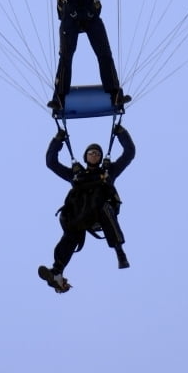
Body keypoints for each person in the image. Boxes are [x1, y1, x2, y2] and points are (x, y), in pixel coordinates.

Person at [12, 0, 129, 109]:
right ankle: (59, 98)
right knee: (65, 58)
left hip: (91, 18)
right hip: (70, 20)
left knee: (104, 53)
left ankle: (115, 94)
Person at [38, 124, 136, 293]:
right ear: (86, 157)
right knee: (70, 236)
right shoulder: (76, 175)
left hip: (101, 215)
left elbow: (129, 153)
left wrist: (122, 133)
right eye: (91, 153)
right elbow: (51, 162)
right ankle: (57, 273)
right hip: (79, 216)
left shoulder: (109, 171)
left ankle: (119, 251)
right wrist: (57, 140)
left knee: (103, 206)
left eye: (97, 153)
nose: (95, 155)